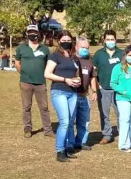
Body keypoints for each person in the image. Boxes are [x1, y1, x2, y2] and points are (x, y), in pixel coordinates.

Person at [44, 31, 81, 162]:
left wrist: (77, 80)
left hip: (72, 92)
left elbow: (76, 74)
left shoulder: (73, 57)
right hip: (59, 91)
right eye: (63, 40)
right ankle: (60, 151)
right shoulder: (55, 56)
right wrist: (65, 79)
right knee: (64, 121)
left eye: (68, 40)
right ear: (59, 41)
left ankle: (68, 148)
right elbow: (47, 74)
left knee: (71, 122)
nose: (66, 42)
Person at [15, 24, 53, 138]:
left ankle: (48, 130)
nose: (32, 34)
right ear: (27, 34)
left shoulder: (45, 49)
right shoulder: (21, 48)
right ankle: (27, 129)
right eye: (30, 32)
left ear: (38, 33)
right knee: (26, 107)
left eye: (34, 32)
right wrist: (24, 74)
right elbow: (17, 63)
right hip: (25, 82)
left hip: (40, 82)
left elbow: (49, 64)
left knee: (44, 107)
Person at [92, 30, 123, 145]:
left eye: (112, 39)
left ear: (115, 40)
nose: (110, 41)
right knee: (104, 113)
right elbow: (93, 71)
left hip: (118, 90)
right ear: (104, 40)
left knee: (120, 112)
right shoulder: (99, 54)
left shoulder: (121, 53)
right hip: (103, 88)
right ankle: (107, 134)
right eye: (108, 39)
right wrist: (96, 86)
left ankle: (122, 133)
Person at [72, 37, 96, 152]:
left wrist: (94, 91)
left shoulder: (89, 60)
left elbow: (92, 77)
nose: (85, 50)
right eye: (83, 47)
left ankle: (80, 142)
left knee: (84, 121)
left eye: (87, 48)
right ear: (76, 47)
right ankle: (69, 143)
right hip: (72, 95)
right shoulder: (70, 59)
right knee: (70, 120)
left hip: (84, 95)